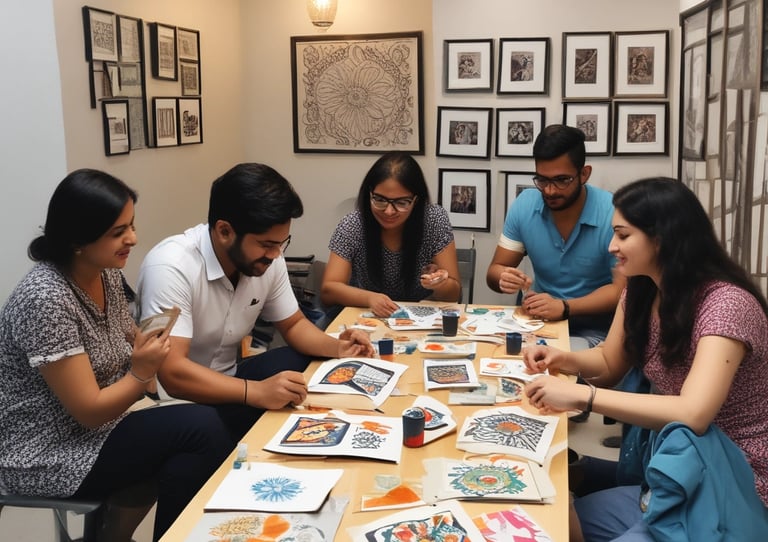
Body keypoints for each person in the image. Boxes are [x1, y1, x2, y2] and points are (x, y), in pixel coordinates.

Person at [522, 177, 768, 540]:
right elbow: (609, 363)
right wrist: (561, 358)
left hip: (731, 483)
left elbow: (693, 413)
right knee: (558, 521)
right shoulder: (642, 287)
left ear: (662, 238)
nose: (612, 246)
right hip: (679, 466)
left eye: (623, 235)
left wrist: (582, 396)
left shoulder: (726, 305)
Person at [0, 169, 231, 542]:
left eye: (132, 226)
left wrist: (149, 350)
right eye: (118, 232)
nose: (133, 239)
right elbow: (89, 411)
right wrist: (141, 373)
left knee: (202, 429)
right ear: (78, 239)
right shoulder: (46, 298)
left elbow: (129, 339)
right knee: (199, 429)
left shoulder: (104, 271)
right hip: (46, 452)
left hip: (102, 426)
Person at [136, 163, 374, 444]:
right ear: (225, 231)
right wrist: (256, 392)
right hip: (175, 400)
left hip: (231, 381)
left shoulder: (268, 259)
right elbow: (173, 373)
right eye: (266, 245)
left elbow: (294, 324)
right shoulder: (171, 266)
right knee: (208, 425)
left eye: (281, 243)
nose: (275, 254)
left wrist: (338, 348)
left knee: (298, 361)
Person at [486, 124, 624, 350]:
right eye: (542, 180)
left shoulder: (613, 212)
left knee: (555, 363)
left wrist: (565, 307)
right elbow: (494, 271)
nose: (550, 190)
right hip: (539, 325)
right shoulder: (525, 205)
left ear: (584, 174)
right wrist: (503, 277)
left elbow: (621, 291)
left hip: (598, 333)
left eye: (562, 180)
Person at [320, 151, 461, 317]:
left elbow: (454, 295)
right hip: (368, 315)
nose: (389, 211)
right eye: (379, 200)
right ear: (369, 194)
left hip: (420, 317)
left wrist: (440, 284)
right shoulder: (354, 224)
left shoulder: (434, 220)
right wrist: (369, 298)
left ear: (416, 200)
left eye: (402, 202)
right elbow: (329, 290)